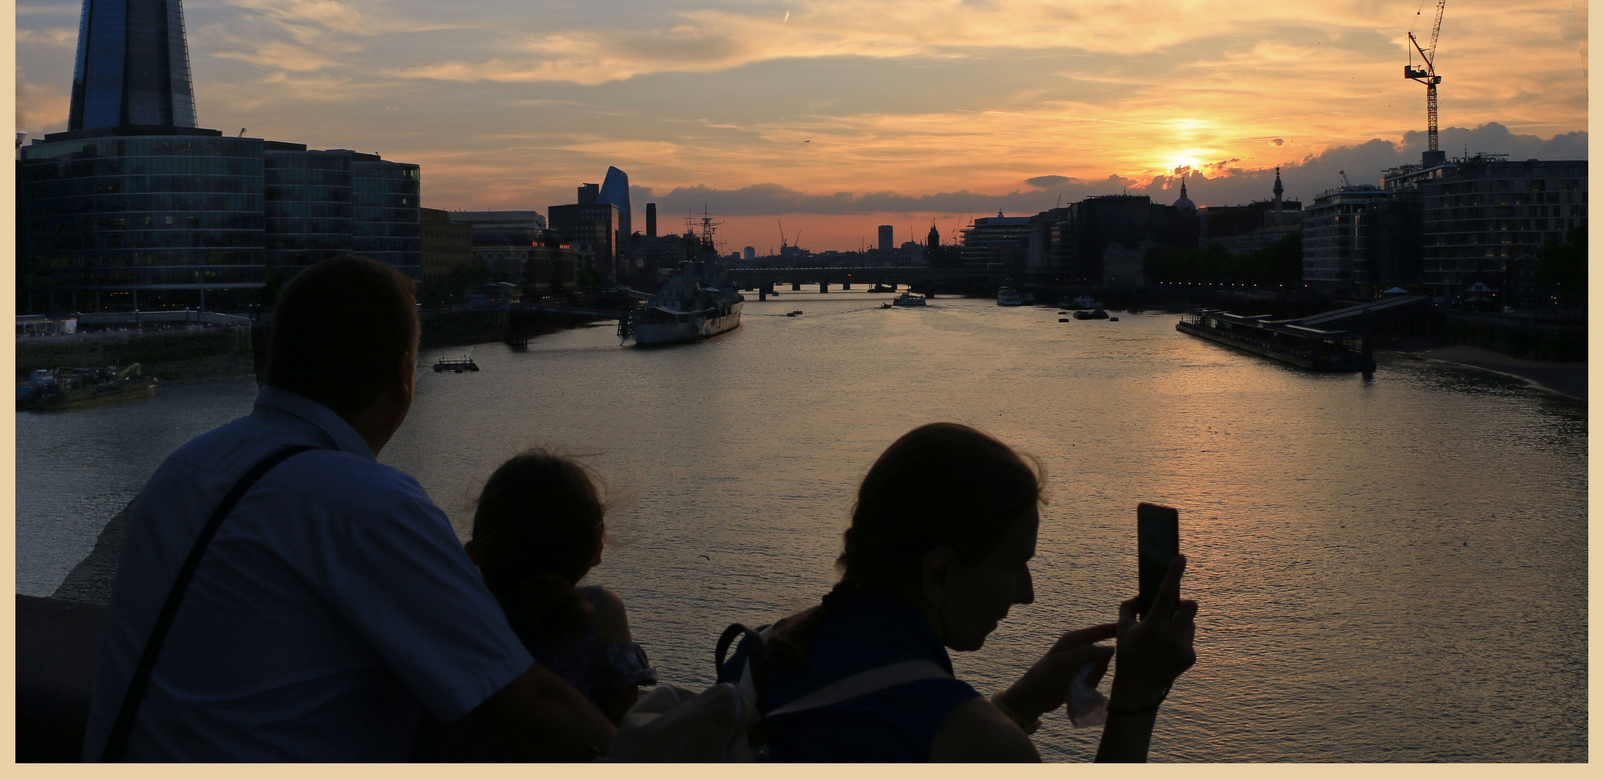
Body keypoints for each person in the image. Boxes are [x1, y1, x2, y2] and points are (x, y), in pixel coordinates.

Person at [81, 256, 616, 761]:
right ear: (405, 376)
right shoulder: (374, 507)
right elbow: (529, 707)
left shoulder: (183, 470)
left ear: (277, 359)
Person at [720, 422, 1197, 762]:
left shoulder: (758, 654)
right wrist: (1137, 693)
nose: (1026, 594)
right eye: (1015, 566)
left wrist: (1018, 706)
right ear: (940, 573)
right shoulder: (975, 742)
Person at [466, 452, 658, 724]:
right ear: (597, 552)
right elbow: (626, 732)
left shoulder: (461, 613)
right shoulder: (602, 613)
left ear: (474, 550)